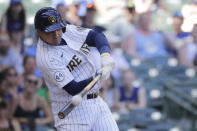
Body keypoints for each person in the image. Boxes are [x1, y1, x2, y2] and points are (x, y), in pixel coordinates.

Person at [34, 7, 118, 130]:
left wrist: (105, 54)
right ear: (39, 32)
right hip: (73, 113)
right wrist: (96, 77)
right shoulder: (46, 58)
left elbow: (95, 36)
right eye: (50, 32)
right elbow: (73, 88)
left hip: (97, 102)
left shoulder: (67, 30)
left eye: (57, 29)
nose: (56, 35)